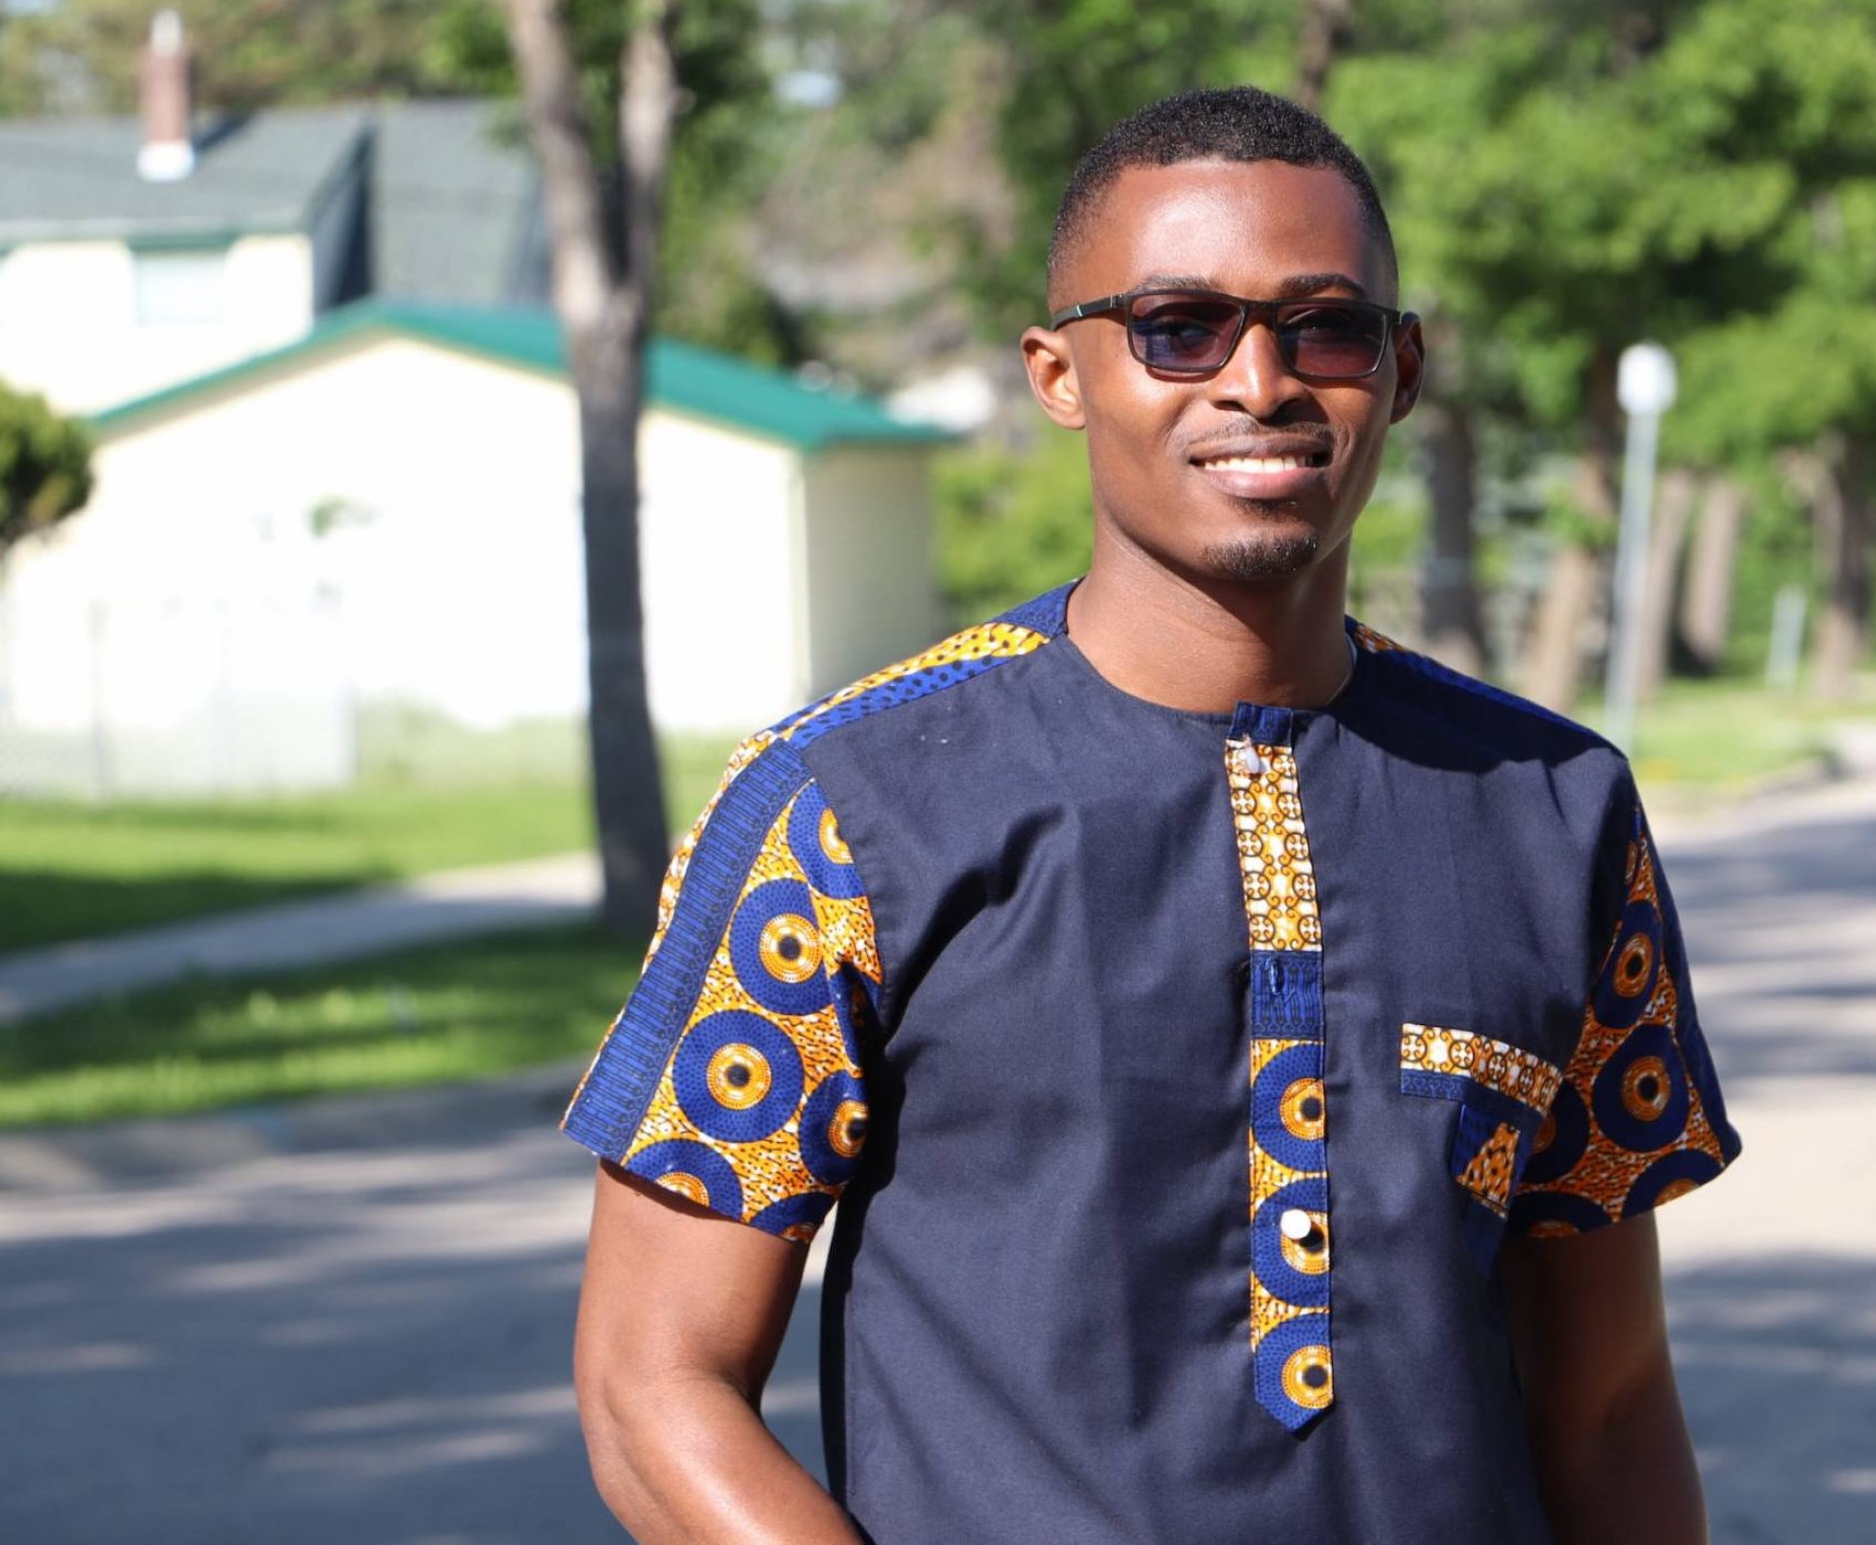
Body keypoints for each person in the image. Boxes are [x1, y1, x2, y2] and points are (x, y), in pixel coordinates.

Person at [561, 86, 1742, 1543]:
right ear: (1062, 374)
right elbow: (651, 1383)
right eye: (1178, 326)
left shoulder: (1552, 810)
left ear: (1405, 366)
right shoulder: (850, 807)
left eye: (1326, 326)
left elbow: (1611, 1403)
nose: (1260, 381)